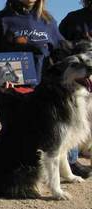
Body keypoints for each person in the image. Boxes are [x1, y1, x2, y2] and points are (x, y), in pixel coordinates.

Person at [0, 0, 91, 179]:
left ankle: (69, 160)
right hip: (13, 100)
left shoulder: (48, 21)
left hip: (43, 99)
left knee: (57, 144)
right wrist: (0, 80)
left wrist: (85, 49)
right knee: (18, 160)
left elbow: (64, 54)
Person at [59, 0, 92, 172]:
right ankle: (70, 160)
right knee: (74, 121)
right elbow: (59, 50)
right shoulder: (73, 19)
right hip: (78, 83)